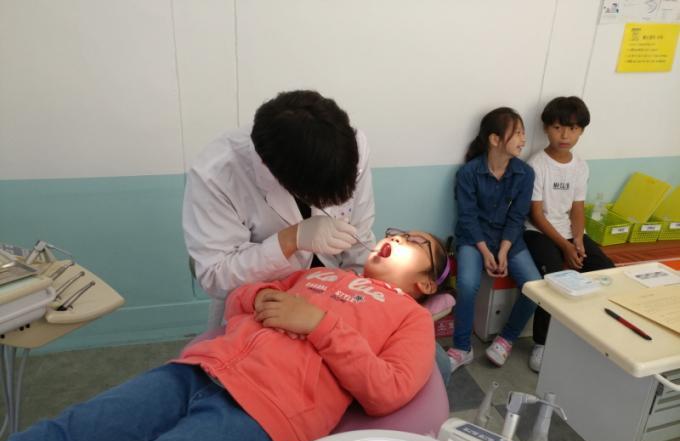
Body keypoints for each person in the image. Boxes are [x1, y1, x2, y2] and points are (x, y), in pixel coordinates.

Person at [0, 229, 451, 441]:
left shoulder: (410, 318)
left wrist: (319, 324)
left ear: (427, 283)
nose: (396, 237)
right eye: (396, 232)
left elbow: (387, 389)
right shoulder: (322, 274)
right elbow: (239, 300)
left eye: (415, 242)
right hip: (195, 372)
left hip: (260, 416)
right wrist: (258, 297)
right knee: (62, 438)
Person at [182, 89, 452, 386]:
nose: (397, 239)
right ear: (283, 180)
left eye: (414, 241)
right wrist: (290, 240)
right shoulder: (218, 173)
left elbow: (359, 235)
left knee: (435, 365)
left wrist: (356, 295)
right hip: (272, 302)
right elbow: (217, 277)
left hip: (332, 312)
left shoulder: (349, 148)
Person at [447, 107, 542, 373]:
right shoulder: (468, 173)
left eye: (523, 133)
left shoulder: (525, 173)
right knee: (467, 284)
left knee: (535, 287)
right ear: (495, 139)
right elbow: (467, 217)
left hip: (508, 239)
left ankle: (506, 339)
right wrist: (486, 253)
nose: (524, 139)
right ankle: (462, 348)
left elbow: (517, 217)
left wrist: (502, 251)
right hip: (473, 238)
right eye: (517, 133)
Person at [524, 96, 614, 372]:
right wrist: (565, 247)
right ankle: (541, 343)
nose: (565, 135)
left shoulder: (580, 166)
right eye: (558, 128)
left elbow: (577, 208)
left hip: (569, 233)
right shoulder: (536, 164)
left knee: (606, 270)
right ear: (546, 129)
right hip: (538, 232)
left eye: (573, 129)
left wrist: (578, 241)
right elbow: (536, 215)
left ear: (581, 131)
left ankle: (588, 332)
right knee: (553, 278)